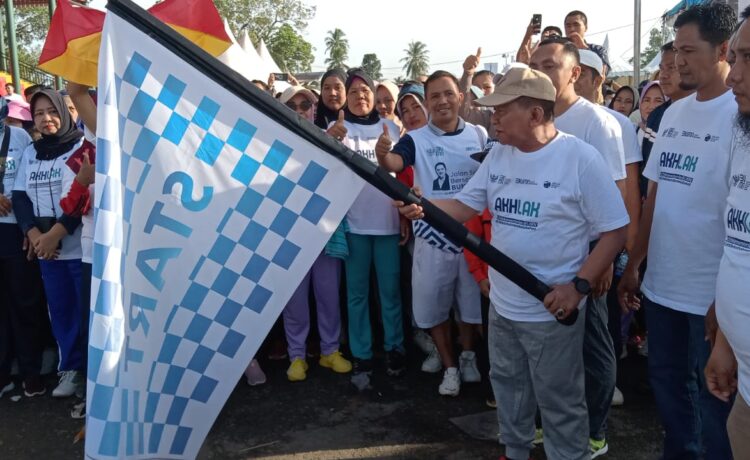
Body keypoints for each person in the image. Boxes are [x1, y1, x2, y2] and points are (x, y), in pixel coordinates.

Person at [396, 67, 628, 460]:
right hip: (504, 308)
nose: (492, 119)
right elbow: (464, 205)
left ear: (535, 115)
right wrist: (423, 206)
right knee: (509, 391)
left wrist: (578, 287)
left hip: (551, 313)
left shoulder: (579, 158)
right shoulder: (499, 155)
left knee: (560, 403)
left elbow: (616, 231)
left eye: (501, 110)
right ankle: (515, 452)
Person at [618, 4, 737, 459]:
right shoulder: (672, 116)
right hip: (663, 289)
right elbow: (654, 198)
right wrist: (636, 265)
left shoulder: (737, 116)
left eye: (689, 51)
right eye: (675, 52)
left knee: (714, 409)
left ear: (723, 49)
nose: (678, 62)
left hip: (710, 298)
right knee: (670, 397)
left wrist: (722, 299)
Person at [530, 37, 626, 458]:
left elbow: (619, 195)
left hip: (588, 250)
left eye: (549, 65)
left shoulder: (596, 123)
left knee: (592, 345)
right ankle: (549, 424)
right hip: (546, 249)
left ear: (575, 72)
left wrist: (604, 261)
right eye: (535, 65)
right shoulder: (534, 117)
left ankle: (595, 431)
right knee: (549, 345)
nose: (540, 74)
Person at [376, 70, 487, 397]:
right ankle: (449, 366)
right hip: (433, 239)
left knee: (469, 306)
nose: (442, 101)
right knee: (434, 306)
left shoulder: (480, 135)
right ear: (427, 102)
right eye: (435, 96)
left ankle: (467, 357)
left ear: (460, 97)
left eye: (448, 94)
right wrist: (384, 154)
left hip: (472, 240)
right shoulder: (416, 139)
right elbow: (395, 161)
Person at [326, 69, 405, 390]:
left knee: (390, 293)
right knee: (356, 294)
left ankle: (395, 347)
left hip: (387, 225)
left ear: (374, 95)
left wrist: (404, 219)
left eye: (365, 91)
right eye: (354, 91)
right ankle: (361, 352)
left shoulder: (393, 130)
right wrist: (331, 141)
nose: (361, 97)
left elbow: (402, 178)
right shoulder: (336, 128)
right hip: (354, 226)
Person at [575, 49, 643, 408]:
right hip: (565, 246)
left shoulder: (612, 123)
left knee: (600, 330)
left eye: (583, 72)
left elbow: (626, 186)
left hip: (599, 246)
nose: (575, 78)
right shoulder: (551, 115)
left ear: (598, 79)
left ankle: (601, 399)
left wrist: (619, 251)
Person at [12, 89, 85, 399]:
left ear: (64, 112)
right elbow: (19, 197)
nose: (46, 119)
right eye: (39, 113)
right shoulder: (31, 152)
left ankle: (92, 375)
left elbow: (84, 198)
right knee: (61, 311)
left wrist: (55, 234)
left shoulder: (82, 147)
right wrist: (33, 235)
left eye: (51, 111)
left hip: (79, 248)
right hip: (46, 251)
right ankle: (72, 368)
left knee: (87, 312)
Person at [277, 85, 352, 382]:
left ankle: (329, 351)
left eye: (305, 104)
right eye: (292, 105)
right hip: (288, 234)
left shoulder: (331, 137)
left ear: (314, 109)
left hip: (324, 233)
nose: (300, 110)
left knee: (328, 295)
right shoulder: (272, 142)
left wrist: (334, 146)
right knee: (293, 300)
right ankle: (296, 355)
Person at [706, 8, 750, 457]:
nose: (733, 75)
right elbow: (738, 248)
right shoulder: (743, 141)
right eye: (734, 57)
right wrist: (726, 342)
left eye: (749, 59)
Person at [0, 97, 45, 399]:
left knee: (24, 300)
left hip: (14, 230)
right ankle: (3, 373)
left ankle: (31, 372)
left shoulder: (17, 136)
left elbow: (27, 182)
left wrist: (28, 227)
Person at [564, 10, 610, 74]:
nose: (572, 29)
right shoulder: (560, 49)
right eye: (568, 26)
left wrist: (584, 48)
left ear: (586, 27)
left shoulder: (598, 50)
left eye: (576, 25)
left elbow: (604, 72)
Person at [458, 48, 494, 131]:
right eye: (477, 87)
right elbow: (464, 113)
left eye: (487, 87)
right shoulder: (486, 117)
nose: (481, 91)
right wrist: (467, 74)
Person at [636, 81, 665, 146]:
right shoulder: (632, 132)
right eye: (646, 100)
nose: (651, 106)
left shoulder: (671, 136)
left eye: (658, 101)